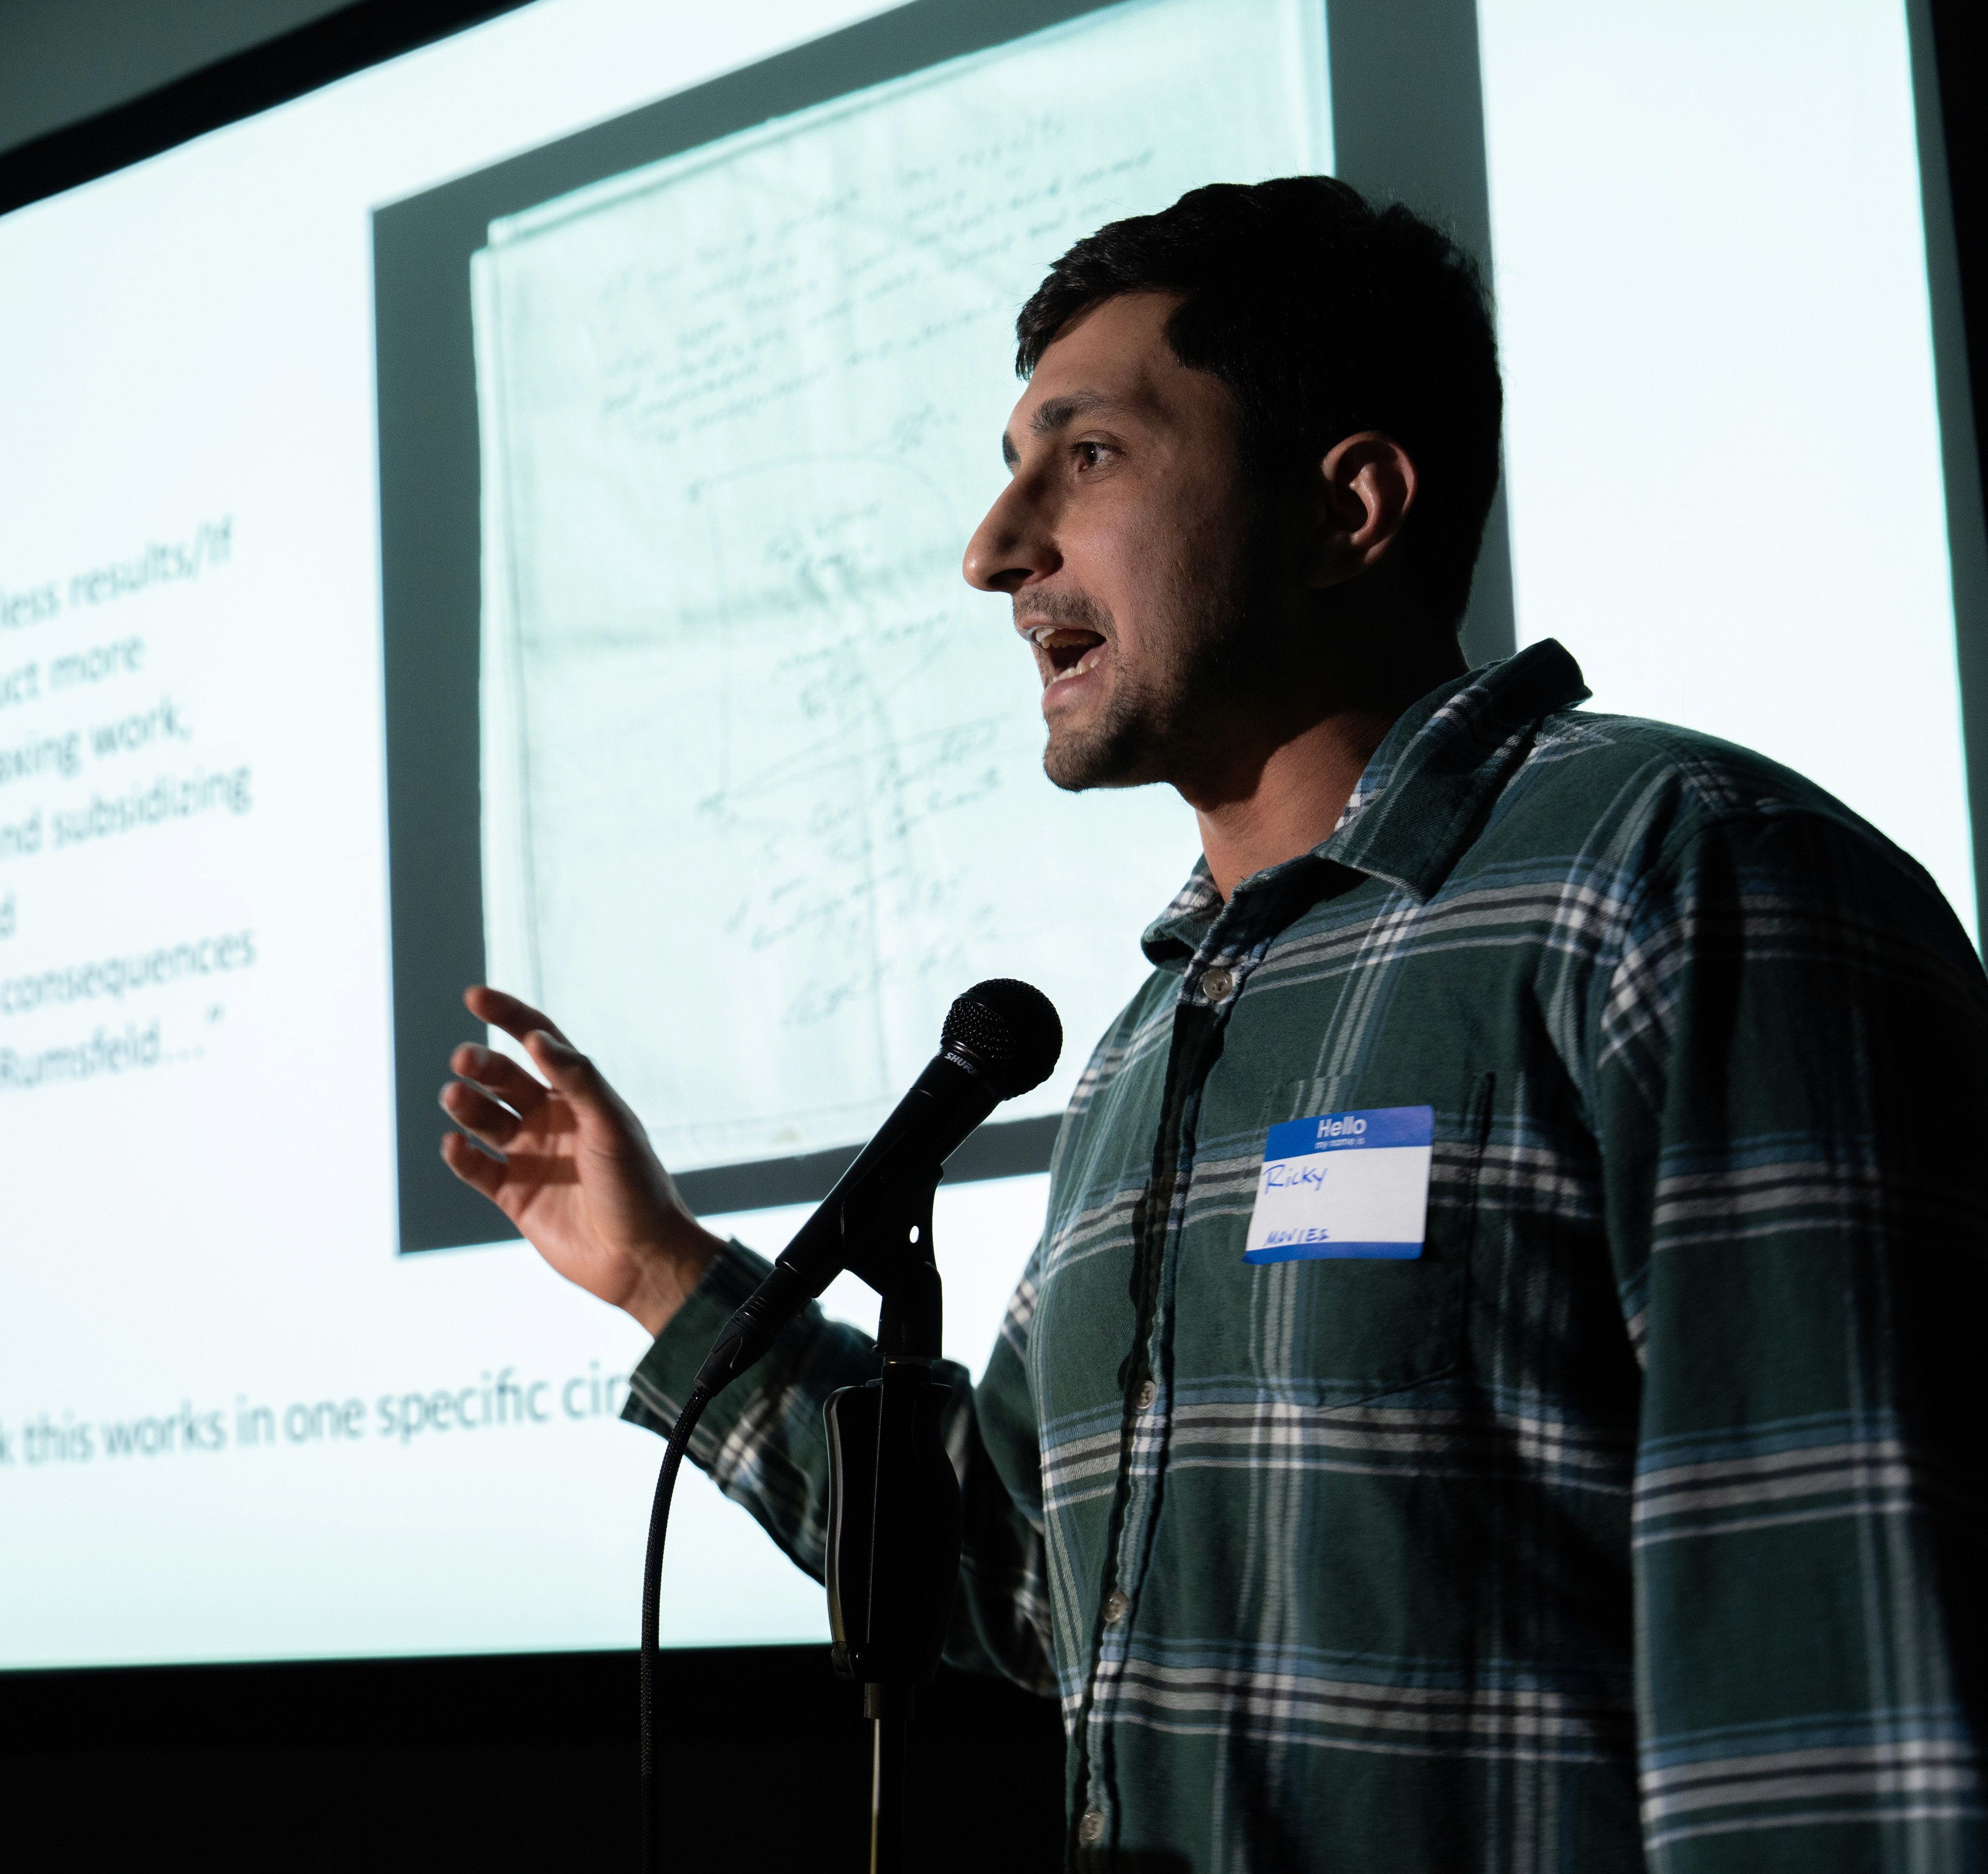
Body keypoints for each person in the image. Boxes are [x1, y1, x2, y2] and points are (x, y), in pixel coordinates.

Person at [437, 176, 1985, 1871]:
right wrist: (659, 1270)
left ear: (1350, 507)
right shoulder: (1150, 1040)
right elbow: (1021, 1572)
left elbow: (1844, 1709)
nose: (994, 550)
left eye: (1088, 456)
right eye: (1012, 470)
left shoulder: (1684, 888)